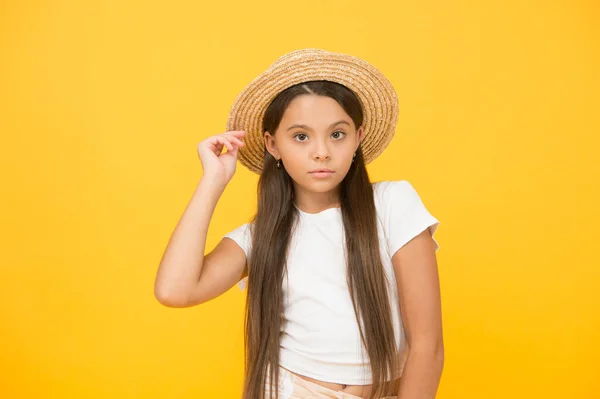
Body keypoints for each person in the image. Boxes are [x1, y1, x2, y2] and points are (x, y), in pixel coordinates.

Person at [154, 49, 444, 399]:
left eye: (337, 134)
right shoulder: (261, 236)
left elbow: (427, 346)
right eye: (301, 137)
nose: (321, 152)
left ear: (358, 138)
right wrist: (213, 181)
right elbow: (174, 291)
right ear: (272, 145)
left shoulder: (393, 204)